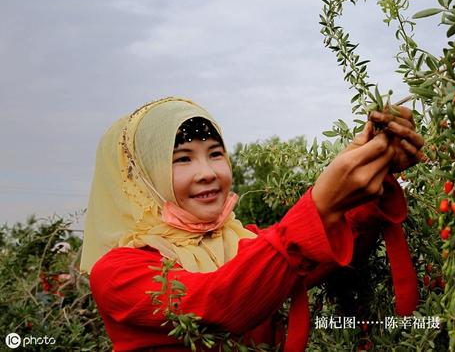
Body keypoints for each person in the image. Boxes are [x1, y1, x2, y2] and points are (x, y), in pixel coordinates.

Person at [80, 97, 424, 351]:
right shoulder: (117, 273)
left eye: (215, 153)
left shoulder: (243, 241)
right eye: (182, 159)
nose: (208, 173)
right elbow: (217, 304)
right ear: (140, 178)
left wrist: (371, 167)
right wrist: (320, 203)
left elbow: (317, 251)